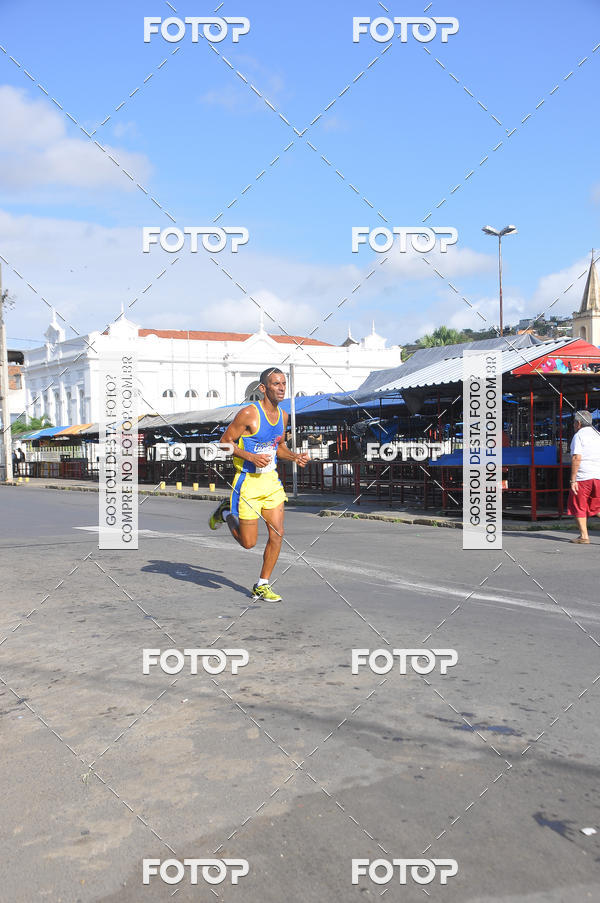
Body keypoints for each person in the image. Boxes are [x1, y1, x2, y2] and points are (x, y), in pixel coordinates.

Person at [208, 367, 309, 601]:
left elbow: (278, 447)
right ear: (263, 388)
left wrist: (295, 456)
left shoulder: (283, 417)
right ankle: (225, 513)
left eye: (284, 383)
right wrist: (250, 456)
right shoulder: (249, 414)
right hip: (247, 483)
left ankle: (262, 584)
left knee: (278, 533)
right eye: (276, 384)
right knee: (248, 543)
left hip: (271, 481)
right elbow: (224, 443)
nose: (282, 388)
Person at [567, 410, 600, 543]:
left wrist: (573, 479)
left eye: (574, 422)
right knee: (596, 506)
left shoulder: (579, 436)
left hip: (583, 477)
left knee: (578, 506)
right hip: (598, 476)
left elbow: (576, 457)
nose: (574, 425)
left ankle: (584, 536)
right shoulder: (598, 435)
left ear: (578, 423)